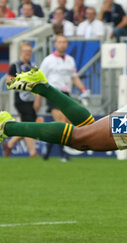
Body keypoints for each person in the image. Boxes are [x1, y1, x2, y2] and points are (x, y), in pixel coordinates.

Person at [38, 34, 89, 162]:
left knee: (65, 124)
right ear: (55, 44)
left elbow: (74, 77)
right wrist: (38, 98)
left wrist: (83, 89)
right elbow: (40, 79)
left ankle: (47, 152)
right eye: (60, 42)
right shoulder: (48, 60)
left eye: (64, 42)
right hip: (53, 93)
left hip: (66, 94)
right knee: (61, 122)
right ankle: (63, 155)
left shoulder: (70, 60)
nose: (62, 44)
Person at [1, 42, 39, 158]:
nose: (28, 53)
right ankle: (32, 152)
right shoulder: (15, 66)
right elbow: (8, 82)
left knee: (27, 125)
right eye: (25, 51)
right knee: (29, 124)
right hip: (21, 99)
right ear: (21, 52)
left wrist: (38, 99)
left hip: (32, 99)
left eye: (29, 51)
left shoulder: (33, 66)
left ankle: (10, 144)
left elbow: (38, 84)